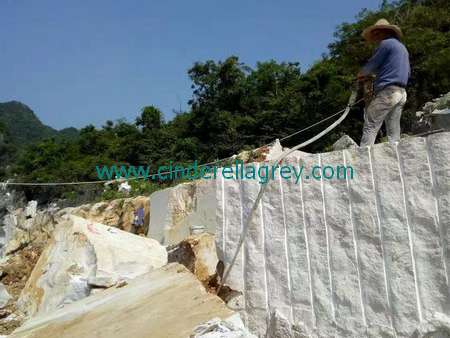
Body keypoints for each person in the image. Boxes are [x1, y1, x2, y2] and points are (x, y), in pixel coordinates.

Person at [358, 19, 410, 146]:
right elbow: (403, 71)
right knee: (393, 132)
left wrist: (360, 75)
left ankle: (363, 158)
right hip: (401, 93)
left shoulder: (386, 44)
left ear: (384, 32)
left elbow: (372, 65)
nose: (375, 37)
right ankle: (395, 157)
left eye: (376, 33)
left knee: (370, 124)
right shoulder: (401, 48)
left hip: (388, 92)